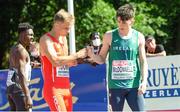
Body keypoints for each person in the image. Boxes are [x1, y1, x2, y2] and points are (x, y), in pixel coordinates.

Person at [87, 4, 148, 111]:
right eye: (118, 21)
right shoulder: (109, 36)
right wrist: (92, 56)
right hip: (115, 86)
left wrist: (144, 81)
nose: (120, 25)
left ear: (132, 20)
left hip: (134, 85)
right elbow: (101, 58)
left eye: (124, 22)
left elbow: (143, 61)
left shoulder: (139, 37)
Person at [39, 9, 87, 111]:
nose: (68, 31)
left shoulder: (63, 39)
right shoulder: (46, 39)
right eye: (66, 28)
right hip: (53, 89)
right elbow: (55, 61)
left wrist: (80, 59)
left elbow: (65, 62)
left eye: (69, 28)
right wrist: (76, 54)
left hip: (66, 88)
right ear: (56, 24)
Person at [6, 22, 34, 111]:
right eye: (30, 35)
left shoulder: (14, 48)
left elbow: (15, 68)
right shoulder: (21, 51)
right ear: (22, 34)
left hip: (11, 89)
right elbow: (21, 74)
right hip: (19, 90)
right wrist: (27, 96)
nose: (32, 37)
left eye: (33, 35)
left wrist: (30, 65)